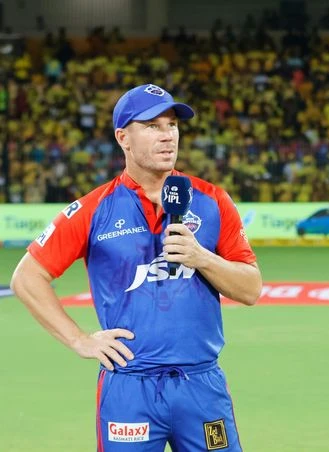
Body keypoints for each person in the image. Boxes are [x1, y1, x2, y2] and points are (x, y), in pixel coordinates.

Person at [10, 84, 262, 451]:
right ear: (123, 137)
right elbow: (27, 277)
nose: (168, 136)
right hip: (129, 387)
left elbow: (251, 289)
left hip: (201, 385)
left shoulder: (212, 201)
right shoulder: (94, 208)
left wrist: (201, 257)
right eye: (153, 126)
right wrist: (79, 340)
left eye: (172, 125)